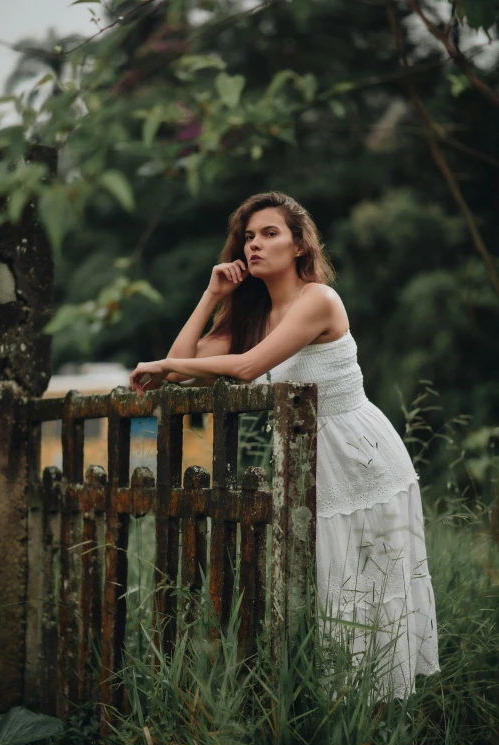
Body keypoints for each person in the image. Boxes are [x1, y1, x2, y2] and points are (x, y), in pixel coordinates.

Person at [129, 191, 440, 697]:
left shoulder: (318, 299)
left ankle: (380, 718)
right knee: (326, 594)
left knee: (368, 592)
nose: (255, 244)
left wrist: (164, 367)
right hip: (305, 461)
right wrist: (211, 297)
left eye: (270, 233)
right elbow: (178, 370)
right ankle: (337, 711)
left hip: (360, 457)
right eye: (248, 236)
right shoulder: (250, 321)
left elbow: (245, 369)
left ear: (299, 244)